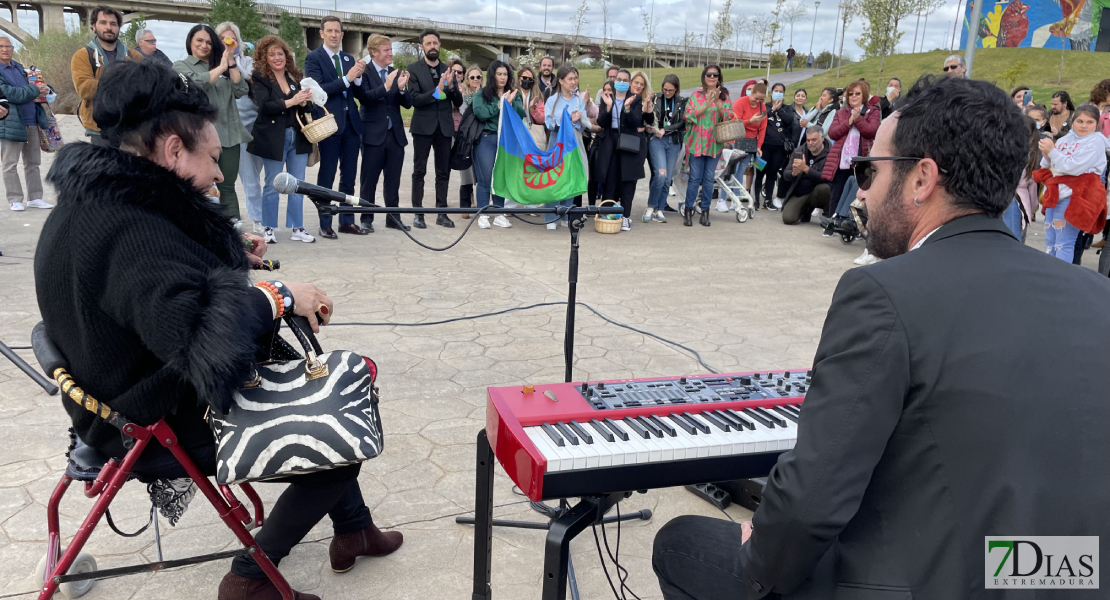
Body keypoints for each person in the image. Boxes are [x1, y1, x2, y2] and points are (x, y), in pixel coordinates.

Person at [652, 74, 1110, 600]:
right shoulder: (1096, 294)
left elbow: (810, 501)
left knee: (683, 541)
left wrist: (762, 551)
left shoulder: (883, 293)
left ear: (921, 178)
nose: (862, 187)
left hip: (930, 584)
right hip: (1067, 575)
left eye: (870, 169)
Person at [38, 58, 404, 600]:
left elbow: (162, 284)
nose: (218, 174)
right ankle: (251, 580)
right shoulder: (128, 229)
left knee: (332, 399)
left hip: (125, 391)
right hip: (149, 414)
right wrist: (279, 295)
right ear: (171, 151)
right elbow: (194, 332)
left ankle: (352, 531)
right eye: (212, 159)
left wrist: (234, 255)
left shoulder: (101, 201)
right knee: (339, 430)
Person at [174, 23, 251, 223]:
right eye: (199, 40)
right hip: (198, 139)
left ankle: (236, 234)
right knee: (199, 186)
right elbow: (193, 85)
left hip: (229, 136)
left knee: (227, 187)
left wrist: (231, 61)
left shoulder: (223, 64)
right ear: (190, 41)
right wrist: (220, 68)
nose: (204, 45)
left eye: (209, 42)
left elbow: (241, 90)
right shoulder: (181, 66)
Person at [247, 35, 314, 244]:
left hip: (298, 136)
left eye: (280, 53)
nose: (277, 57)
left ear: (286, 55)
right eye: (272, 54)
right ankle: (268, 228)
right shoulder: (260, 77)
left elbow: (308, 107)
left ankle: (297, 228)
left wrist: (304, 102)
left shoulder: (295, 76)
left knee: (297, 184)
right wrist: (292, 100)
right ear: (264, 58)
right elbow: (265, 106)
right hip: (273, 137)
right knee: (272, 184)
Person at [304, 16, 367, 238]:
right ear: (321, 33)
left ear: (342, 35)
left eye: (337, 31)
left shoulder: (349, 58)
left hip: (351, 125)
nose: (333, 35)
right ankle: (325, 222)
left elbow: (357, 92)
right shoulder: (313, 58)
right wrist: (348, 78)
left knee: (349, 176)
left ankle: (347, 220)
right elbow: (318, 91)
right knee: (327, 175)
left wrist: (358, 78)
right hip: (329, 124)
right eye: (329, 31)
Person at [1037, 104, 1108, 263]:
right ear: (1073, 121)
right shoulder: (1063, 139)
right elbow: (1048, 164)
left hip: (1074, 196)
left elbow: (1074, 167)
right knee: (1050, 241)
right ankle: (1051, 276)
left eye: (1090, 122)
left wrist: (1052, 152)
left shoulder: (1095, 141)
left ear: (1096, 124)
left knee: (1064, 243)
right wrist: (1047, 154)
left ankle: (1061, 281)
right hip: (1055, 194)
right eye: (1080, 121)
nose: (1084, 126)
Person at [356, 34, 412, 233]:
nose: (391, 53)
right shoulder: (365, 71)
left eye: (391, 49)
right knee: (369, 179)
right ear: (374, 52)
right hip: (373, 134)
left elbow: (407, 103)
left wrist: (403, 89)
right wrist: (387, 86)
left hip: (395, 135)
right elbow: (365, 98)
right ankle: (366, 218)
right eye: (386, 50)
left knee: (393, 179)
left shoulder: (395, 72)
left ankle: (393, 218)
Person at [407, 28, 461, 229]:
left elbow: (457, 100)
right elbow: (415, 100)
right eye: (428, 44)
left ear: (440, 45)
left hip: (444, 128)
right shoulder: (413, 69)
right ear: (422, 47)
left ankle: (441, 212)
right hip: (423, 127)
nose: (432, 47)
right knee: (419, 170)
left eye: (435, 43)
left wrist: (453, 88)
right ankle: (417, 212)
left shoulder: (448, 70)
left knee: (443, 172)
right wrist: (438, 91)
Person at [70, 5, 142, 146]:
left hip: (131, 127)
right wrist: (121, 75)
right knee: (104, 168)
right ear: (93, 26)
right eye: (103, 22)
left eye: (113, 24)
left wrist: (134, 73)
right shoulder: (83, 55)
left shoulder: (134, 56)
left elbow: (145, 88)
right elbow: (84, 89)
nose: (109, 27)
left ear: (119, 27)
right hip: (99, 128)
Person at [217, 22, 264, 234]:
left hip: (252, 125)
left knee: (253, 174)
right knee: (234, 178)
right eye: (223, 39)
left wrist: (232, 61)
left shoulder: (248, 62)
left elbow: (251, 81)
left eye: (232, 39)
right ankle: (245, 219)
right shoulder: (212, 63)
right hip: (227, 127)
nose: (228, 42)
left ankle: (257, 217)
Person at [595, 68, 652, 231]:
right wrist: (608, 107)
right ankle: (606, 213)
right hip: (610, 142)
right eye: (618, 79)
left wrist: (626, 109)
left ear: (629, 82)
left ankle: (625, 216)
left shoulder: (634, 99)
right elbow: (601, 122)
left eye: (625, 80)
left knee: (628, 180)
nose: (621, 83)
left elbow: (636, 122)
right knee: (609, 179)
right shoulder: (607, 97)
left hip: (628, 142)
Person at [470, 59, 524, 230]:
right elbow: (480, 113)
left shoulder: (513, 93)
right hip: (486, 139)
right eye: (499, 74)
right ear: (492, 75)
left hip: (505, 141)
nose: (502, 77)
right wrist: (500, 105)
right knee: (486, 178)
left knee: (501, 177)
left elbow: (520, 114)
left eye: (505, 74)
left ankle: (499, 213)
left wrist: (512, 104)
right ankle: (483, 213)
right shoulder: (482, 94)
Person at [0, 36, 51, 212]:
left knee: (33, 163)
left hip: (31, 121)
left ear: (13, 48)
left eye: (8, 46)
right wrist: (36, 89)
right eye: (1, 46)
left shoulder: (21, 69)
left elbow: (32, 90)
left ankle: (35, 197)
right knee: (10, 163)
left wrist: (45, 88)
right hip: (11, 123)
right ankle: (15, 199)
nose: (5, 49)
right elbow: (12, 94)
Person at [823, 79, 879, 230]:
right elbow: (832, 133)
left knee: (857, 192)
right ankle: (831, 225)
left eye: (857, 94)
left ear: (864, 95)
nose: (853, 96)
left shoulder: (873, 111)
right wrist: (848, 121)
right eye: (851, 94)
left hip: (861, 162)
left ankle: (851, 225)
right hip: (841, 160)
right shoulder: (841, 113)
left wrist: (858, 119)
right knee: (836, 191)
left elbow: (871, 131)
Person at [543, 65, 592, 229]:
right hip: (557, 141)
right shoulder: (552, 99)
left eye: (575, 78)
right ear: (561, 81)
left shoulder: (578, 100)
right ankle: (551, 216)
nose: (574, 82)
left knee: (570, 177)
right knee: (554, 178)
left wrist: (576, 121)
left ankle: (564, 215)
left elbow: (582, 127)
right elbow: (549, 124)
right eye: (570, 79)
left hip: (573, 142)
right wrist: (565, 119)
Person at [682, 65, 728, 227]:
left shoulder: (723, 97)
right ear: (704, 76)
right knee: (694, 178)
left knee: (708, 179)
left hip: (714, 145)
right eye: (709, 74)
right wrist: (707, 105)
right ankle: (688, 210)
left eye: (716, 75)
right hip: (696, 144)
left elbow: (729, 117)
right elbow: (688, 115)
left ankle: (705, 212)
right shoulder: (695, 96)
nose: (712, 77)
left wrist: (718, 103)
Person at [645, 73, 685, 223]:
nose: (667, 93)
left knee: (667, 178)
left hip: (673, 142)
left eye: (671, 90)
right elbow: (647, 116)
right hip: (657, 140)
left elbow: (682, 123)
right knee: (660, 175)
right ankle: (651, 206)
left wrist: (666, 130)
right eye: (665, 90)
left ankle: (660, 209)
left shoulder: (681, 101)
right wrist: (649, 127)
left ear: (676, 89)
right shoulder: (656, 98)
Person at [753, 82, 799, 211]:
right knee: (759, 173)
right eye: (776, 90)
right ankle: (756, 199)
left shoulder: (788, 108)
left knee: (772, 174)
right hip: (763, 147)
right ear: (771, 92)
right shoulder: (764, 106)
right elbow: (761, 119)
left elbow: (790, 121)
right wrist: (772, 110)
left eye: (781, 91)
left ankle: (768, 200)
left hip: (780, 148)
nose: (778, 93)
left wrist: (780, 110)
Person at [778, 126, 831, 225]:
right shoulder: (799, 151)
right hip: (800, 192)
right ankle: (805, 210)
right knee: (788, 219)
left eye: (814, 140)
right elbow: (786, 174)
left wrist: (806, 169)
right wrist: (793, 173)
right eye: (808, 140)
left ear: (822, 138)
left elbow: (826, 177)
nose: (810, 143)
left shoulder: (830, 153)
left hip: (817, 191)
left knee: (826, 188)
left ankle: (828, 215)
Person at [732, 82, 767, 193]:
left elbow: (762, 129)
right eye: (756, 98)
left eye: (760, 100)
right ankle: (723, 199)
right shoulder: (740, 102)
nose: (757, 102)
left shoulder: (763, 108)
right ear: (751, 92)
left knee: (741, 171)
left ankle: (735, 198)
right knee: (733, 170)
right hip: (737, 140)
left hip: (750, 142)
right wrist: (750, 121)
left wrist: (759, 146)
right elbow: (734, 123)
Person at [457, 63, 481, 218]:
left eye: (478, 77)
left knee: (480, 173)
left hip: (481, 137)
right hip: (466, 137)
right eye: (472, 77)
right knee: (466, 172)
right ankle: (465, 205)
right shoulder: (463, 95)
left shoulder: (486, 94)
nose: (476, 79)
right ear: (467, 79)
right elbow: (467, 112)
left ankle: (481, 205)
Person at [518, 65, 547, 152]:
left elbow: (542, 119)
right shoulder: (513, 94)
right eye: (524, 77)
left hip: (533, 134)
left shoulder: (538, 96)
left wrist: (533, 109)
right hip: (518, 133)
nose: (527, 80)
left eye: (530, 79)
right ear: (519, 78)